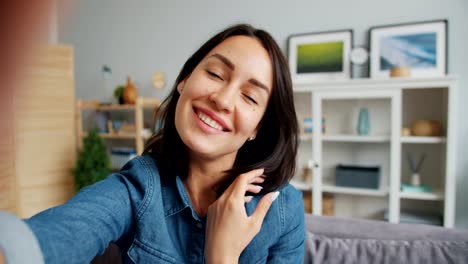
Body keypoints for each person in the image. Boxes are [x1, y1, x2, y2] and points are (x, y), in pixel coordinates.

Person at [11, 23, 305, 263]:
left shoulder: (282, 209)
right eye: (215, 74)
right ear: (185, 80)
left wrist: (222, 257)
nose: (223, 99)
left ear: (258, 128)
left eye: (250, 97)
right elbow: (56, 235)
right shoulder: (139, 187)